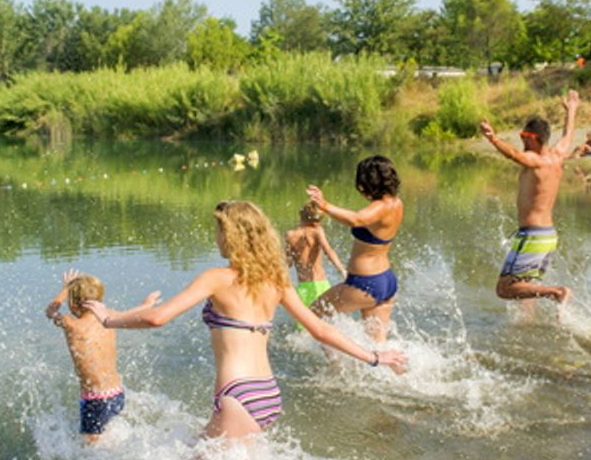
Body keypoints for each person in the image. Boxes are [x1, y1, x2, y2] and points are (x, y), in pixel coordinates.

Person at [82, 200, 407, 440]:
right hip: (266, 395)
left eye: (219, 232)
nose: (216, 239)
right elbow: (320, 328)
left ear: (233, 236)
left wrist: (110, 319)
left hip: (237, 395)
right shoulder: (276, 280)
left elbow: (157, 318)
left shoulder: (217, 278)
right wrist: (374, 357)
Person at [479, 89, 580, 307]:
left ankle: (557, 292)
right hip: (547, 235)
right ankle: (527, 327)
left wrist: (493, 139)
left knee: (504, 289)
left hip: (532, 235)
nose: (522, 140)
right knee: (525, 286)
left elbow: (513, 154)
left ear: (533, 138)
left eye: (524, 137)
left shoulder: (536, 160)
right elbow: (568, 135)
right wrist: (571, 110)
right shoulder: (557, 155)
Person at [305, 155, 404, 344]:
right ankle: (398, 371)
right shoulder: (396, 203)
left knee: (314, 317)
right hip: (385, 280)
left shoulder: (381, 207)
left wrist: (325, 206)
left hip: (365, 283)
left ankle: (335, 368)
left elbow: (356, 219)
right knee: (378, 345)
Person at [45, 270, 152, 443]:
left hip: (95, 398)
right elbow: (132, 314)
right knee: (109, 433)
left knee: (91, 445)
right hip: (117, 393)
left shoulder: (72, 324)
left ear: (73, 303)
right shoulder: (109, 317)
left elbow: (50, 311)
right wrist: (146, 304)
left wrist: (65, 289)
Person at [285, 201, 347, 327]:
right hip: (321, 285)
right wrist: (342, 270)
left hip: (303, 288)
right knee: (328, 325)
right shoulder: (317, 231)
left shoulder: (290, 235)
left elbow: (288, 262)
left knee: (304, 329)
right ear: (315, 220)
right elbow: (328, 251)